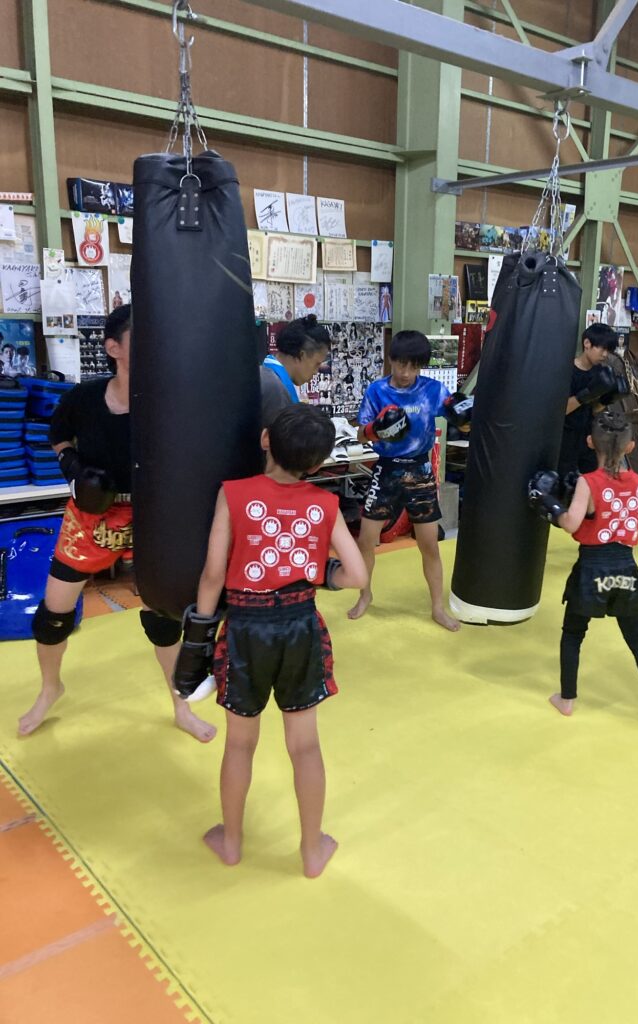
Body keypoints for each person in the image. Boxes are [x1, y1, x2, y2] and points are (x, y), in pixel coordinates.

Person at [174, 405, 367, 874]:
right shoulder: (325, 504)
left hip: (246, 627)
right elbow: (358, 575)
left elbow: (212, 575)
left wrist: (197, 640)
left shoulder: (233, 494)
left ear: (265, 440)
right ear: (317, 465)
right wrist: (323, 574)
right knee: (305, 746)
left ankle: (232, 843)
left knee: (240, 745)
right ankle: (311, 852)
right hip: (300, 624)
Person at [17, 304, 216, 743]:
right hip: (92, 514)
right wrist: (73, 469)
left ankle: (181, 707)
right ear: (113, 348)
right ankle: (50, 689)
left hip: (152, 517)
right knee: (52, 616)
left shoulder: (169, 402)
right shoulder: (84, 398)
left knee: (162, 618)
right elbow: (58, 436)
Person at [529, 408, 638, 722]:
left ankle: (567, 700)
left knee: (573, 634)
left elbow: (571, 523)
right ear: (630, 447)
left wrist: (550, 505)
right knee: (637, 636)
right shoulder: (637, 481)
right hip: (626, 569)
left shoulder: (587, 482)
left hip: (592, 569)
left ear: (590, 442)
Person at [348, 329, 469, 632]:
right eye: (401, 364)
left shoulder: (433, 390)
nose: (405, 373)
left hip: (420, 470)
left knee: (429, 543)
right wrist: (376, 429)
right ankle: (365, 595)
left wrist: (465, 417)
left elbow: (462, 423)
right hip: (387, 470)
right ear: (391, 360)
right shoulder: (377, 391)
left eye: (413, 366)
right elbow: (361, 434)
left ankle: (437, 608)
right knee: (366, 539)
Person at [558, 323, 622, 478]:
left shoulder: (600, 372)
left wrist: (607, 399)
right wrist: (586, 394)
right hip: (565, 437)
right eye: (602, 348)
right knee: (565, 482)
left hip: (588, 436)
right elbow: (559, 411)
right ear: (587, 343)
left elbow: (593, 410)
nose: (605, 354)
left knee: (592, 480)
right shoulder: (566, 371)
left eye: (609, 350)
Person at [260, 314, 331, 427]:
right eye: (317, 364)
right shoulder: (276, 390)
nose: (316, 372)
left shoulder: (266, 373)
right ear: (301, 355)